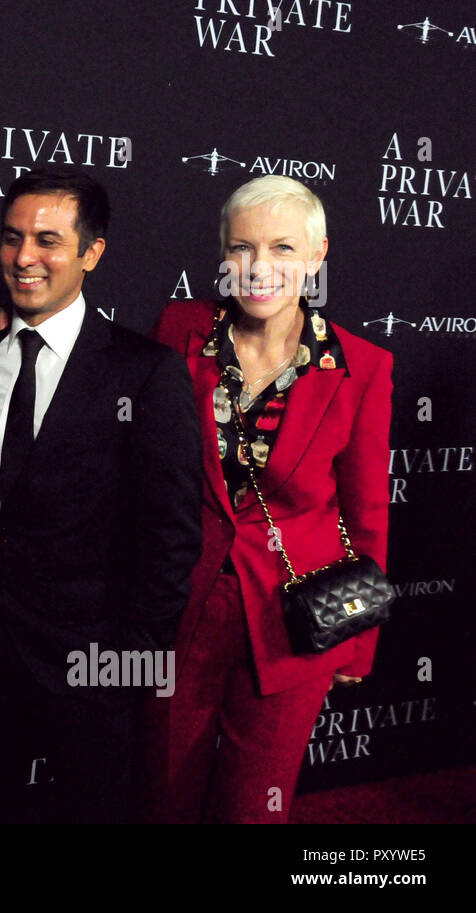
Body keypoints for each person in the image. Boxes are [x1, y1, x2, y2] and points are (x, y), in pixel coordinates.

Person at [0, 167, 202, 823]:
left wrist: (128, 666)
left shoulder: (144, 372)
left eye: (48, 240)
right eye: (12, 237)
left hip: (94, 669)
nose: (24, 257)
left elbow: (170, 535)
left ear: (92, 252)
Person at [144, 175, 392, 823]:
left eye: (283, 248)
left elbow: (367, 514)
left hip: (294, 623)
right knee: (162, 794)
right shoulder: (180, 329)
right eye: (242, 248)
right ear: (223, 255)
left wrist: (356, 643)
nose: (260, 268)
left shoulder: (360, 367)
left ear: (317, 255)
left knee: (255, 807)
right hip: (183, 608)